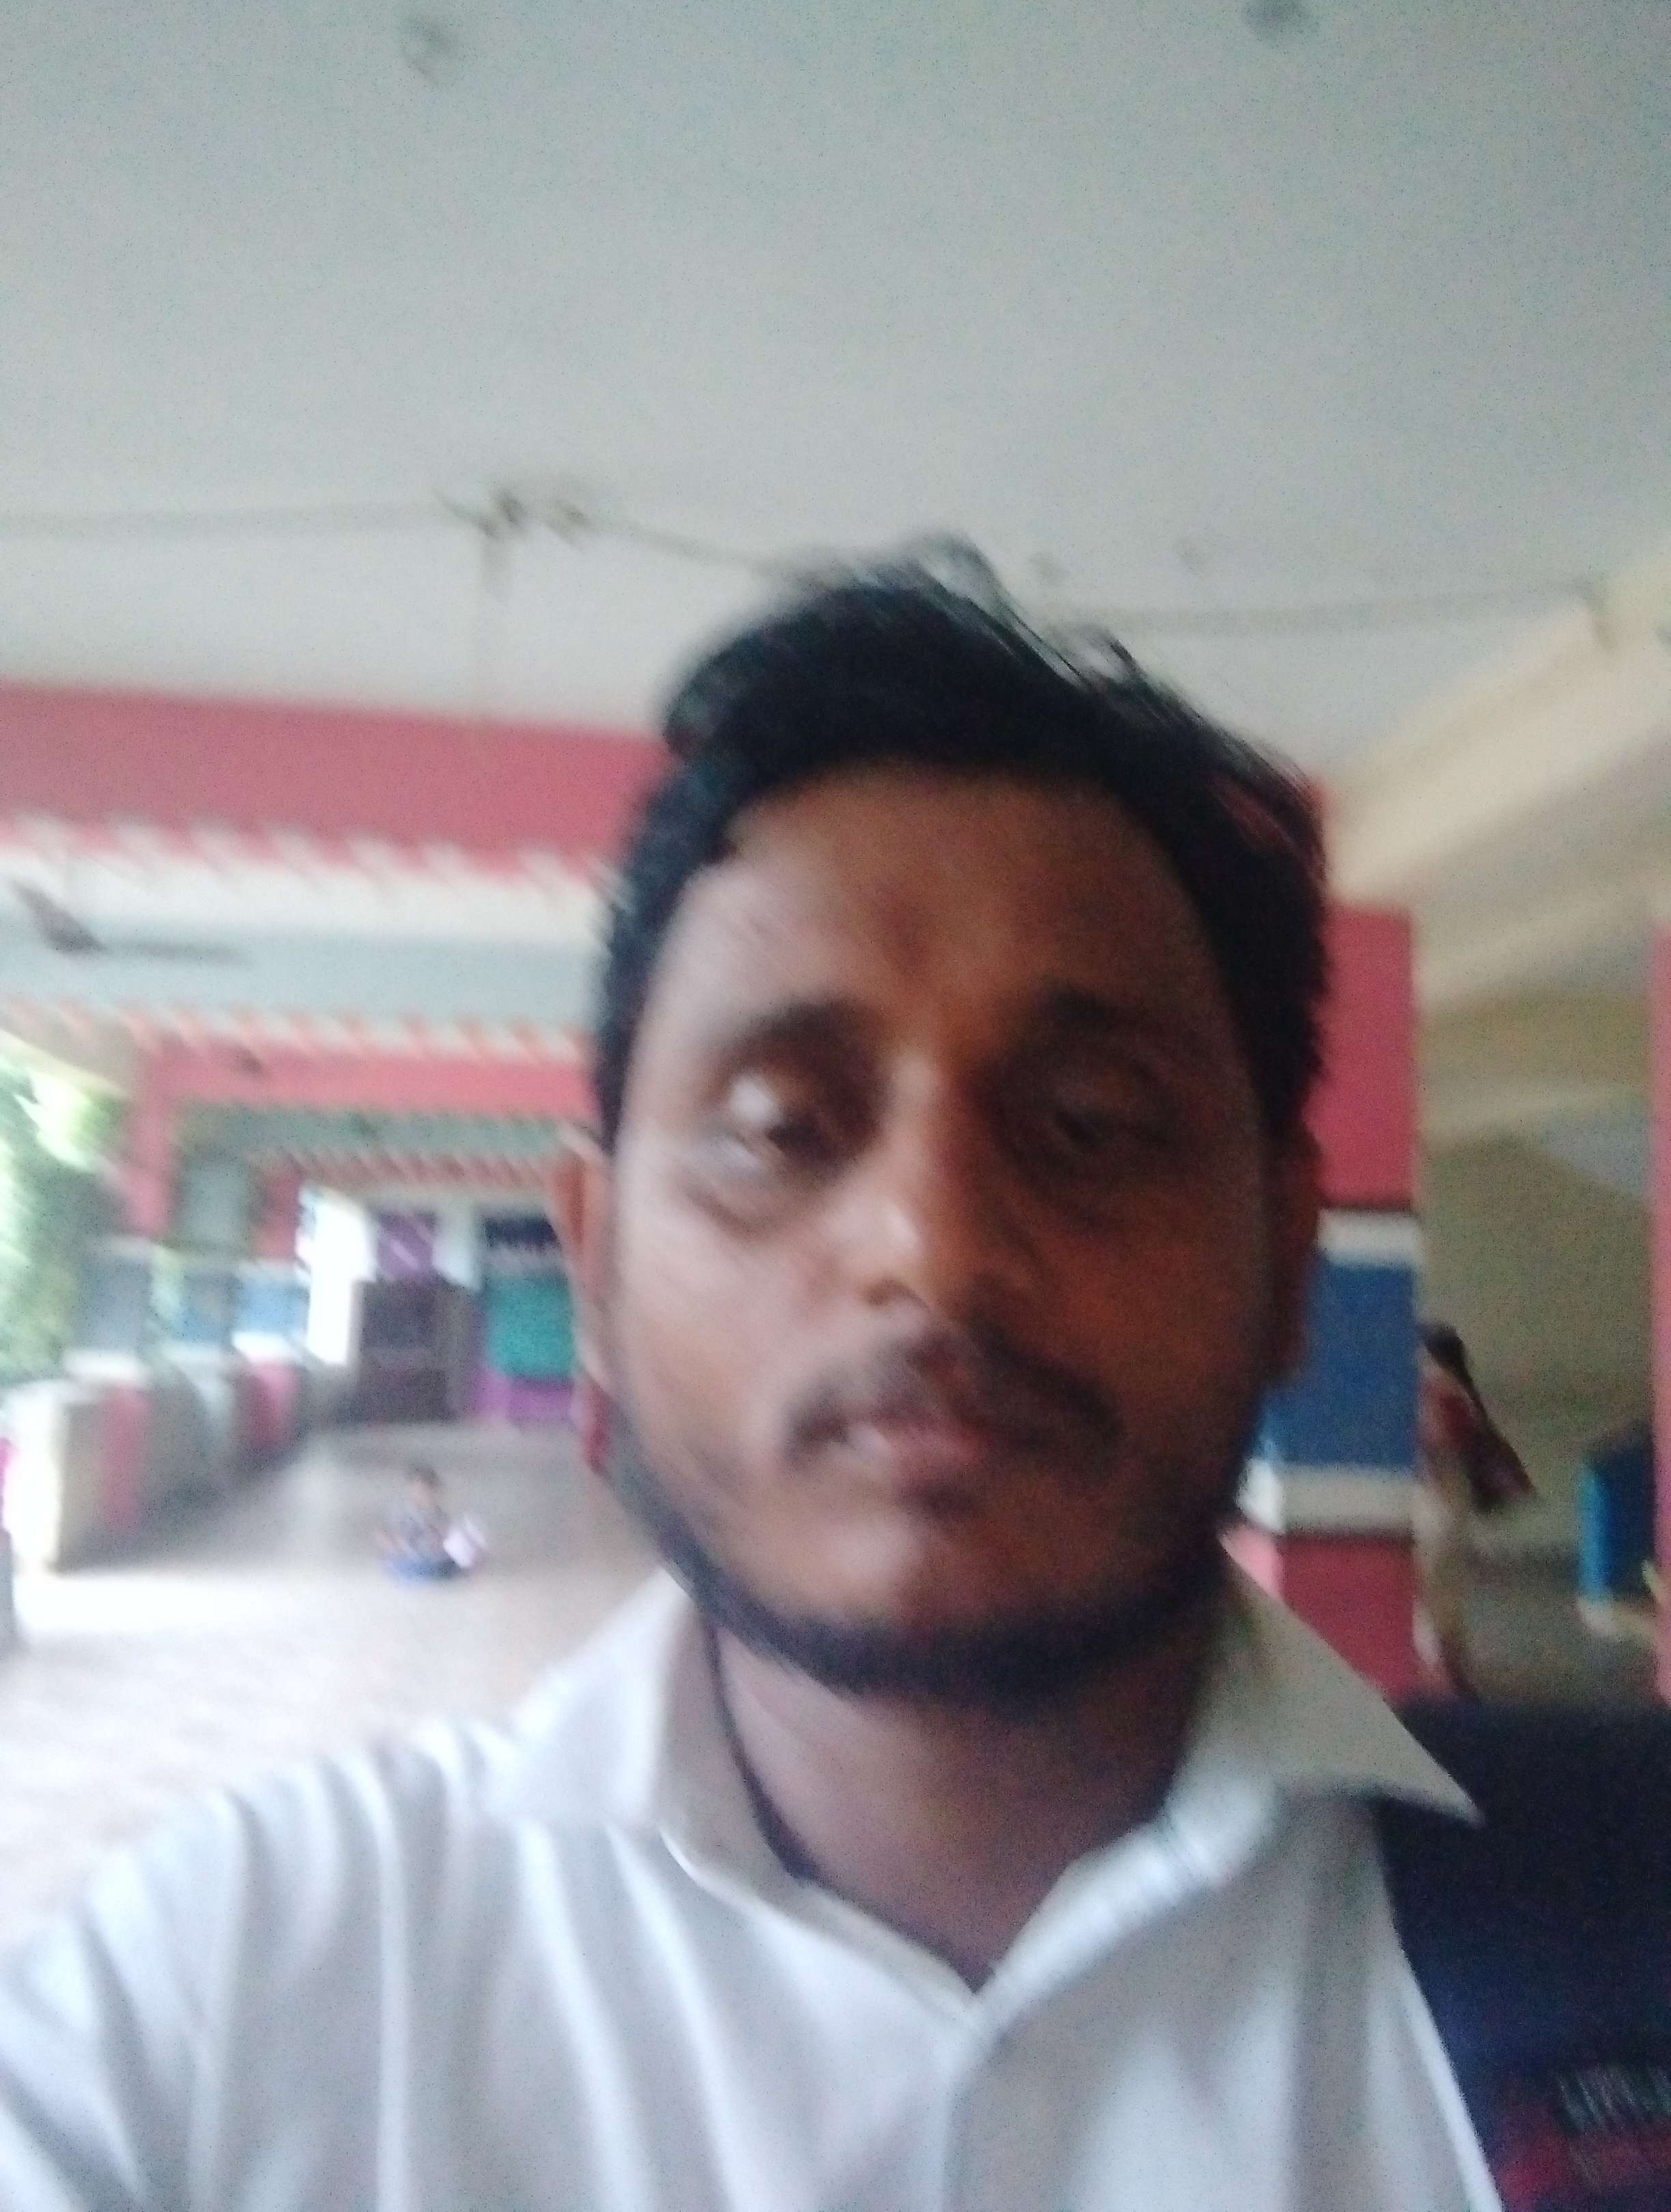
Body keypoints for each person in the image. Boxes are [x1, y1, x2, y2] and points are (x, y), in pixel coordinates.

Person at [0, 555, 1506, 2207]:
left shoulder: (1605, 1937)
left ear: (1287, 1256)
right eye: (781, 1128)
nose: (932, 1250)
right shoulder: (220, 2007)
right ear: (597, 1259)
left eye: (1089, 1124)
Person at [1412, 1322, 1531, 1695]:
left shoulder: (1437, 1392)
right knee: (1446, 1588)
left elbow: (1434, 1443)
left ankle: (1441, 1675)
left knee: (1431, 1590)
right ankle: (1453, 1670)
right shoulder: (1462, 1394)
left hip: (1434, 1502)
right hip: (1453, 1503)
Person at [376, 1462, 483, 1580]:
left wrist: (438, 1534)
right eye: (417, 1489)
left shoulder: (438, 1513)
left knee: (465, 1530)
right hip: (409, 1557)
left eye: (425, 1490)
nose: (421, 1493)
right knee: (386, 1536)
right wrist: (397, 1543)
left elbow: (447, 1536)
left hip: (436, 1560)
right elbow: (393, 1534)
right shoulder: (401, 1511)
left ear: (433, 1491)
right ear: (410, 1489)